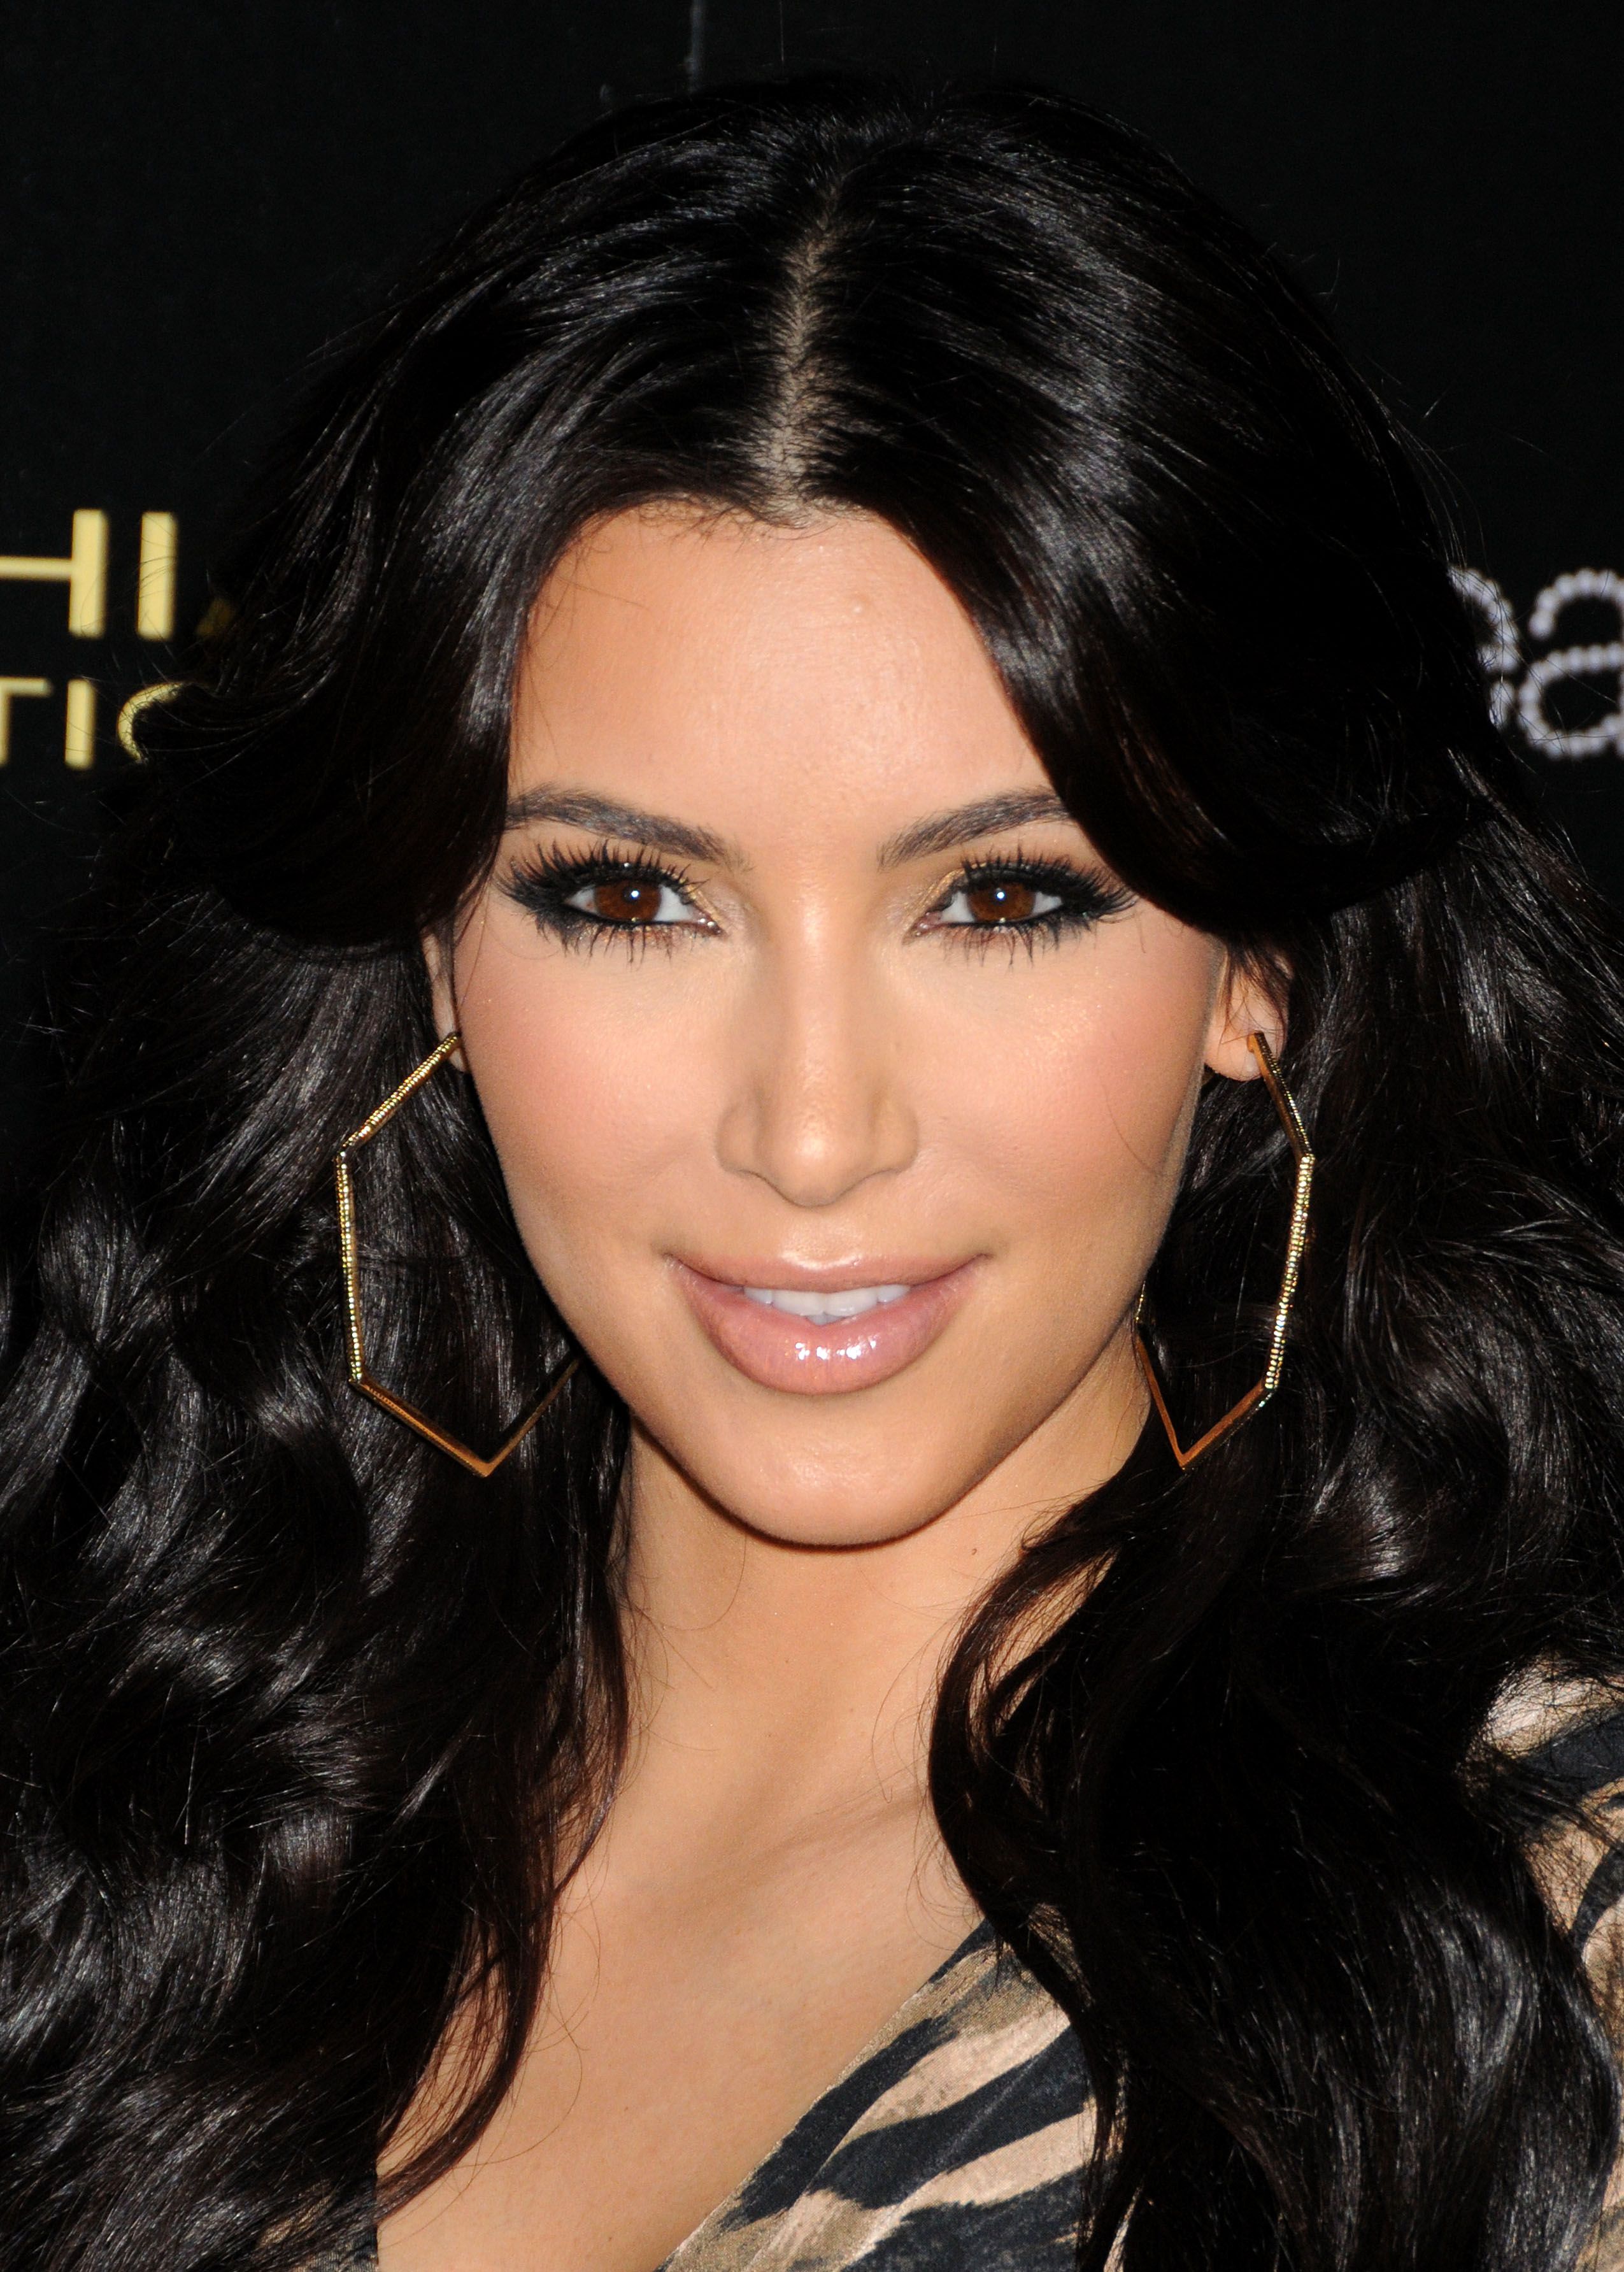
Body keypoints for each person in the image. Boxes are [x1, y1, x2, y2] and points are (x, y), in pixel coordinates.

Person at [3, 74, 1623, 2272]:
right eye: (630, 900)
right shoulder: (122, 1817)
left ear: (1262, 966)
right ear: (435, 950)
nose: (812, 1129)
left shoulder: (1534, 1955)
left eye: (1003, 902)